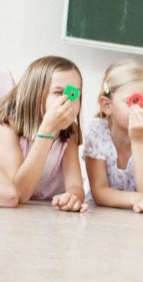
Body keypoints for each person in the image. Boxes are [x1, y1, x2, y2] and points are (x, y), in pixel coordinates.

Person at [84, 59, 143, 214]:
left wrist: (139, 141)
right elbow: (99, 192)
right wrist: (135, 199)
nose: (140, 107)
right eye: (133, 101)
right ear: (107, 106)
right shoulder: (96, 131)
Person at [0, 56, 86, 211]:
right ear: (34, 95)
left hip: (46, 211)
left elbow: (75, 186)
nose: (68, 101)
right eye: (58, 92)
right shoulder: (8, 125)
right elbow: (20, 194)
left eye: (74, 94)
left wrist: (73, 197)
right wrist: (47, 131)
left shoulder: (69, 131)